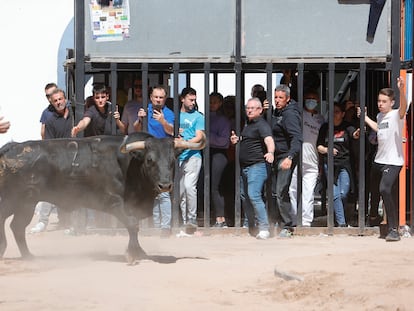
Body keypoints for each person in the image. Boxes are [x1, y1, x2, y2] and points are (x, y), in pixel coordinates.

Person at [357, 77, 407, 241]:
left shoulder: (396, 115)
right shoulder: (380, 116)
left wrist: (402, 90)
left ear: (392, 102)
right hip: (379, 160)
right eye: (379, 101)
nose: (380, 104)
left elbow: (403, 108)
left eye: (384, 101)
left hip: (393, 161)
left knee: (385, 189)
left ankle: (393, 229)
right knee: (374, 190)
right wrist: (365, 118)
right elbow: (379, 128)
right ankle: (373, 217)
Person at [230, 97, 275, 240]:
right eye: (248, 108)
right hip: (245, 167)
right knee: (246, 196)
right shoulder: (247, 125)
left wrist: (271, 152)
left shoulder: (261, 124)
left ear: (260, 110)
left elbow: (269, 139)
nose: (249, 110)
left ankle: (264, 228)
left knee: (254, 195)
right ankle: (251, 225)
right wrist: (236, 141)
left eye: (252, 108)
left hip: (257, 166)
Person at [30, 87, 72, 233]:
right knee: (50, 190)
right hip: (58, 161)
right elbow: (48, 144)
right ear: (52, 103)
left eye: (61, 99)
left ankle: (68, 223)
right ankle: (42, 222)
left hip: (77, 160)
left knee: (71, 192)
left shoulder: (75, 115)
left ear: (65, 99)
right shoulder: (50, 121)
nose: (59, 102)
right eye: (55, 101)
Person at [135, 86, 174, 237]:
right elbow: (136, 129)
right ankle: (155, 226)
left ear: (165, 98)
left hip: (163, 157)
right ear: (151, 97)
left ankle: (165, 228)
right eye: (156, 97)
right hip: (148, 157)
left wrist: (163, 121)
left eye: (161, 97)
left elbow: (171, 131)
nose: (158, 100)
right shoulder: (145, 110)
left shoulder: (169, 113)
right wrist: (139, 119)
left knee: (163, 191)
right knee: (148, 191)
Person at [317, 102, 360, 227]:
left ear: (342, 114)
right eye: (332, 112)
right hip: (329, 164)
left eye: (337, 112)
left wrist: (357, 133)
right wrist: (327, 150)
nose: (334, 114)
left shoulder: (347, 126)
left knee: (343, 194)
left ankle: (338, 217)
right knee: (335, 194)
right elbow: (318, 146)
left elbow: (354, 134)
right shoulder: (325, 127)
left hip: (344, 165)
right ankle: (342, 223)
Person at [289, 89, 325, 227]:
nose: (311, 101)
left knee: (308, 193)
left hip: (313, 161)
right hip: (297, 159)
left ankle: (306, 221)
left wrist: (321, 163)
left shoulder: (321, 119)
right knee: (292, 190)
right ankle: (293, 218)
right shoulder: (299, 115)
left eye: (313, 98)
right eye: (308, 98)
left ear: (318, 101)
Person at [271, 84, 303, 237]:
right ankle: (278, 222)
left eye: (280, 98)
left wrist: (290, 157)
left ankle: (287, 226)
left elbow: (297, 137)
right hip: (276, 156)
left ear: (288, 99)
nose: (277, 101)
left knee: (281, 191)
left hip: (285, 156)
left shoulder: (289, 115)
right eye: (275, 97)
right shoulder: (278, 112)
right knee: (275, 191)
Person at [177, 87, 205, 231]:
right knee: (180, 190)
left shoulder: (199, 116)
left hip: (193, 156)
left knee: (189, 187)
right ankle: (184, 219)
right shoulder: (175, 116)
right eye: (190, 99)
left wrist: (185, 144)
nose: (193, 102)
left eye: (194, 100)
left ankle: (192, 219)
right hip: (178, 156)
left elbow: (199, 136)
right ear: (182, 99)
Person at [208, 92, 231, 227]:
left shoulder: (223, 120)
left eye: (215, 102)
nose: (212, 104)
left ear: (220, 103)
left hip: (219, 155)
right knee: (208, 187)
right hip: (208, 154)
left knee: (216, 188)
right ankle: (214, 216)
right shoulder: (205, 117)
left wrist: (207, 136)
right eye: (210, 102)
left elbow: (224, 142)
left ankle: (220, 219)